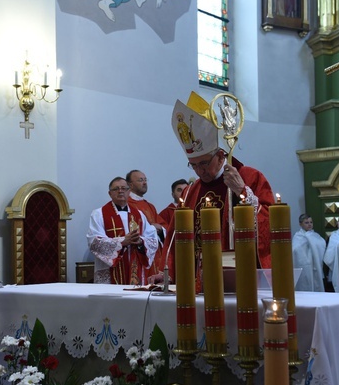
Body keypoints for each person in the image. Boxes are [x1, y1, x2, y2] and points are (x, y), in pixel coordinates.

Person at [154, 92, 274, 285]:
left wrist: (242, 192)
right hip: (195, 280)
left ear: (220, 155)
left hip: (237, 278)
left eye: (204, 163)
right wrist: (167, 270)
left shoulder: (250, 177)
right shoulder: (190, 191)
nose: (200, 171)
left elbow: (270, 224)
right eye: (193, 165)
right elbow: (175, 237)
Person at [87, 177, 159, 284]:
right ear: (110, 193)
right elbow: (94, 241)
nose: (120, 191)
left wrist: (140, 241)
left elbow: (152, 239)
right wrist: (122, 241)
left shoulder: (139, 214)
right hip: (110, 272)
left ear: (129, 191)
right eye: (116, 189)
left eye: (124, 188)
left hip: (134, 268)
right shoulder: (99, 214)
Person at [292, 214, 326, 292]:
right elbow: (294, 250)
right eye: (306, 222)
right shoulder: (298, 237)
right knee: (304, 286)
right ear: (300, 224)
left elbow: (322, 245)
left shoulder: (315, 236)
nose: (310, 224)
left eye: (311, 222)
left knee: (316, 285)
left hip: (315, 265)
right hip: (303, 265)